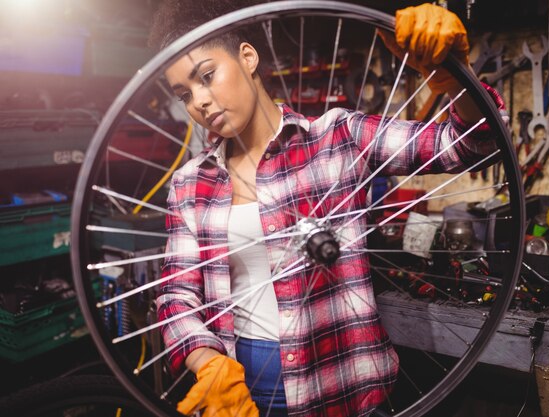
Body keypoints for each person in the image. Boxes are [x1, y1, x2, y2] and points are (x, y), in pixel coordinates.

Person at [150, 1, 506, 416]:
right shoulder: (190, 182)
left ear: (247, 57)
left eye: (207, 77)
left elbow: (474, 144)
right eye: (185, 94)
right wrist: (206, 362)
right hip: (241, 389)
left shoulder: (337, 138)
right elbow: (176, 294)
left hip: (341, 387)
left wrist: (453, 76)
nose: (200, 102)